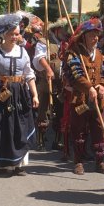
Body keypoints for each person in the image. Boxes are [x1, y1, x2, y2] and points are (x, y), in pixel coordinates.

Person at [0, 13, 39, 176]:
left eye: (17, 34)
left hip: (20, 93)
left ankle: (19, 164)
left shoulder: (23, 52)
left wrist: (35, 95)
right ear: (4, 35)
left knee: (20, 126)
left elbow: (29, 74)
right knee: (3, 126)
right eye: (12, 34)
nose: (15, 37)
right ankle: (4, 164)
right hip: (0, 93)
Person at [63, 17, 104, 175]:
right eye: (92, 35)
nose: (95, 38)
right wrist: (89, 87)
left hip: (98, 99)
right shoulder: (73, 54)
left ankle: (100, 161)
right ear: (84, 36)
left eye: (97, 35)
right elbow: (76, 75)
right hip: (81, 99)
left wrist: (102, 86)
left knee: (99, 129)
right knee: (79, 130)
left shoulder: (100, 54)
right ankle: (78, 162)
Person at [33, 17, 69, 151]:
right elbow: (39, 58)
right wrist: (48, 69)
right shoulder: (44, 42)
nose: (66, 33)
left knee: (61, 111)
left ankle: (58, 140)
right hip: (46, 82)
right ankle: (40, 140)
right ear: (58, 30)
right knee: (44, 110)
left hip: (62, 83)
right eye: (65, 30)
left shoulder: (67, 43)